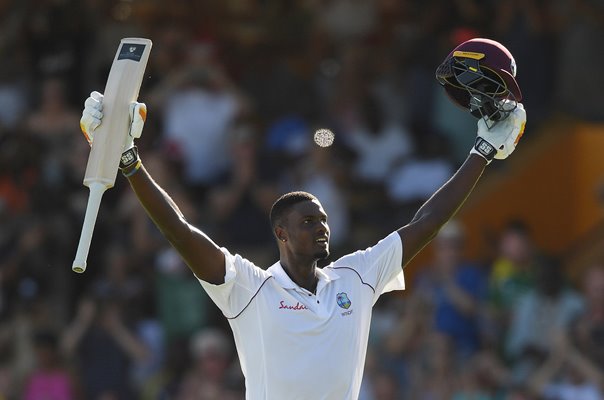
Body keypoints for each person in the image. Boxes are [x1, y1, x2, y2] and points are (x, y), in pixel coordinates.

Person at [78, 38, 527, 399]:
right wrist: (131, 163)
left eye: (324, 219)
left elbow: (425, 223)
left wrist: (481, 153)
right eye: (309, 221)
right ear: (281, 233)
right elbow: (180, 230)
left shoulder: (357, 276)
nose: (322, 226)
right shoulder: (249, 288)